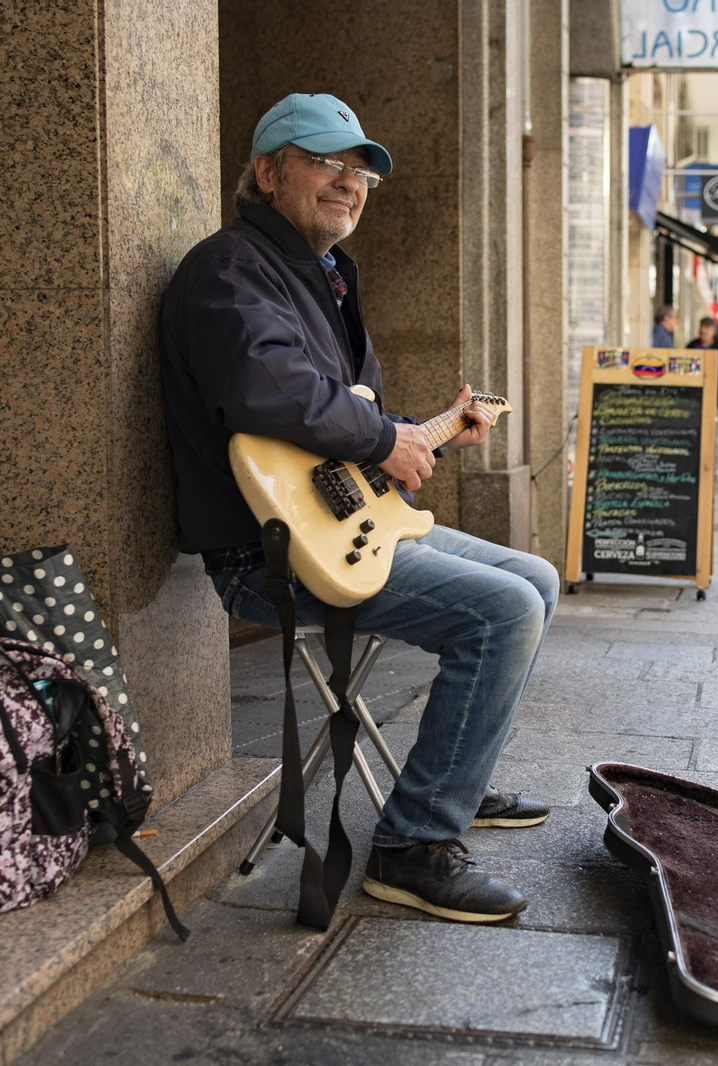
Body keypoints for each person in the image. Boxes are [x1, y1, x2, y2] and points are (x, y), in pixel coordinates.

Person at [159, 93, 557, 924]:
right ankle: (413, 846)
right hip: (264, 555)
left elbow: (349, 430)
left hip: (333, 525)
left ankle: (451, 778)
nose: (351, 182)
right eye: (327, 163)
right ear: (268, 173)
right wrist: (386, 439)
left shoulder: (329, 275)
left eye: (362, 170)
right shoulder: (229, 267)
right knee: (505, 611)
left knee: (537, 576)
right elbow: (266, 389)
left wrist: (431, 436)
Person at [687, 316, 718, 408]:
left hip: (716, 394)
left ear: (714, 330)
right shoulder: (692, 346)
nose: (703, 330)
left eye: (707, 328)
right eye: (702, 327)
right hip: (694, 394)